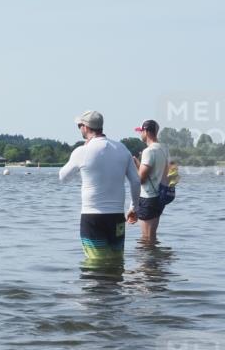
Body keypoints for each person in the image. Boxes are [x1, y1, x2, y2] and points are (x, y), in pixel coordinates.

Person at [58, 111, 140, 260]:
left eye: (79, 126)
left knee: (95, 264)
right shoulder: (122, 149)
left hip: (92, 217)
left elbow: (62, 177)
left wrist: (78, 160)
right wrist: (134, 208)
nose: (79, 129)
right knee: (116, 260)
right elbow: (135, 181)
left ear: (86, 127)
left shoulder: (82, 151)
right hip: (117, 217)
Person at [129, 120, 170, 244]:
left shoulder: (148, 151)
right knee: (151, 236)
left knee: (147, 238)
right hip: (160, 196)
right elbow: (156, 172)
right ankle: (154, 261)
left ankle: (148, 262)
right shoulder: (164, 148)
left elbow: (141, 179)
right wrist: (138, 163)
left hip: (148, 198)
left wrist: (133, 166)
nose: (140, 134)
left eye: (141, 131)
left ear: (146, 131)